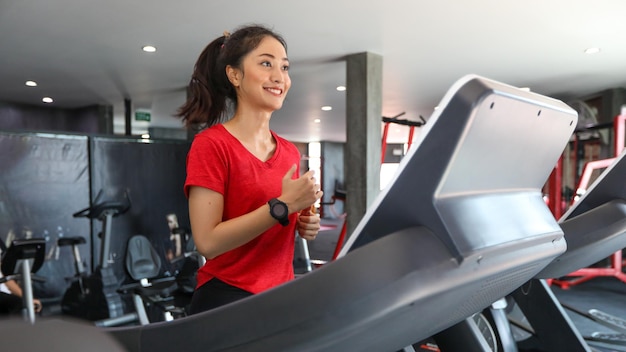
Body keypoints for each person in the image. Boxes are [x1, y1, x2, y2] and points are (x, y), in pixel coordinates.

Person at [177, 24, 323, 314]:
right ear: (235, 75)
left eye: (285, 67)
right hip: (227, 297)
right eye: (266, 63)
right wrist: (281, 207)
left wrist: (305, 223)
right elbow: (207, 242)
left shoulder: (290, 152)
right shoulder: (211, 145)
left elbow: (276, 229)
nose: (279, 76)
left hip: (280, 295)